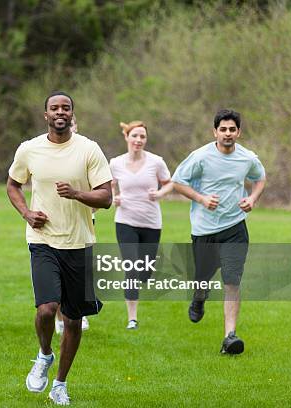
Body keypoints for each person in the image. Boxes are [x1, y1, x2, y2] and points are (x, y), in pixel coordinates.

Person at [7, 91, 112, 405]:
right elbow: (13, 185)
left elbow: (106, 197)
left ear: (72, 113)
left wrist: (77, 194)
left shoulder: (89, 149)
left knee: (73, 319)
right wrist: (27, 213)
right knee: (46, 309)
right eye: (54, 108)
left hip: (79, 243)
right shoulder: (29, 149)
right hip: (43, 241)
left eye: (65, 107)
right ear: (46, 115)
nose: (60, 112)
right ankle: (44, 354)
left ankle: (60, 384)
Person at [172, 109, 266, 354]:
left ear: (239, 132)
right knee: (202, 277)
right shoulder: (200, 156)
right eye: (223, 129)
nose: (227, 133)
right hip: (204, 230)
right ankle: (199, 296)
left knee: (232, 280)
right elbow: (177, 182)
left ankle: (230, 337)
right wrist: (201, 199)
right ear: (215, 132)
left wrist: (253, 198)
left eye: (232, 129)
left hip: (235, 227)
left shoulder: (247, 158)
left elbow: (260, 178)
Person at [111, 121, 173, 330]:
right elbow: (107, 185)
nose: (139, 140)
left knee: (145, 272)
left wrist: (160, 194)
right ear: (127, 137)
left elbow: (169, 183)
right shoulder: (116, 163)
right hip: (125, 221)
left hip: (151, 223)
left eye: (142, 137)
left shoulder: (156, 162)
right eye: (135, 136)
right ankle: (132, 319)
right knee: (132, 268)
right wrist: (114, 198)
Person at [54, 114, 90, 335]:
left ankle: (79, 313)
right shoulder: (50, 154)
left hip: (84, 222)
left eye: (75, 124)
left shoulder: (87, 152)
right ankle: (60, 318)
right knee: (56, 278)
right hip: (56, 222)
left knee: (79, 276)